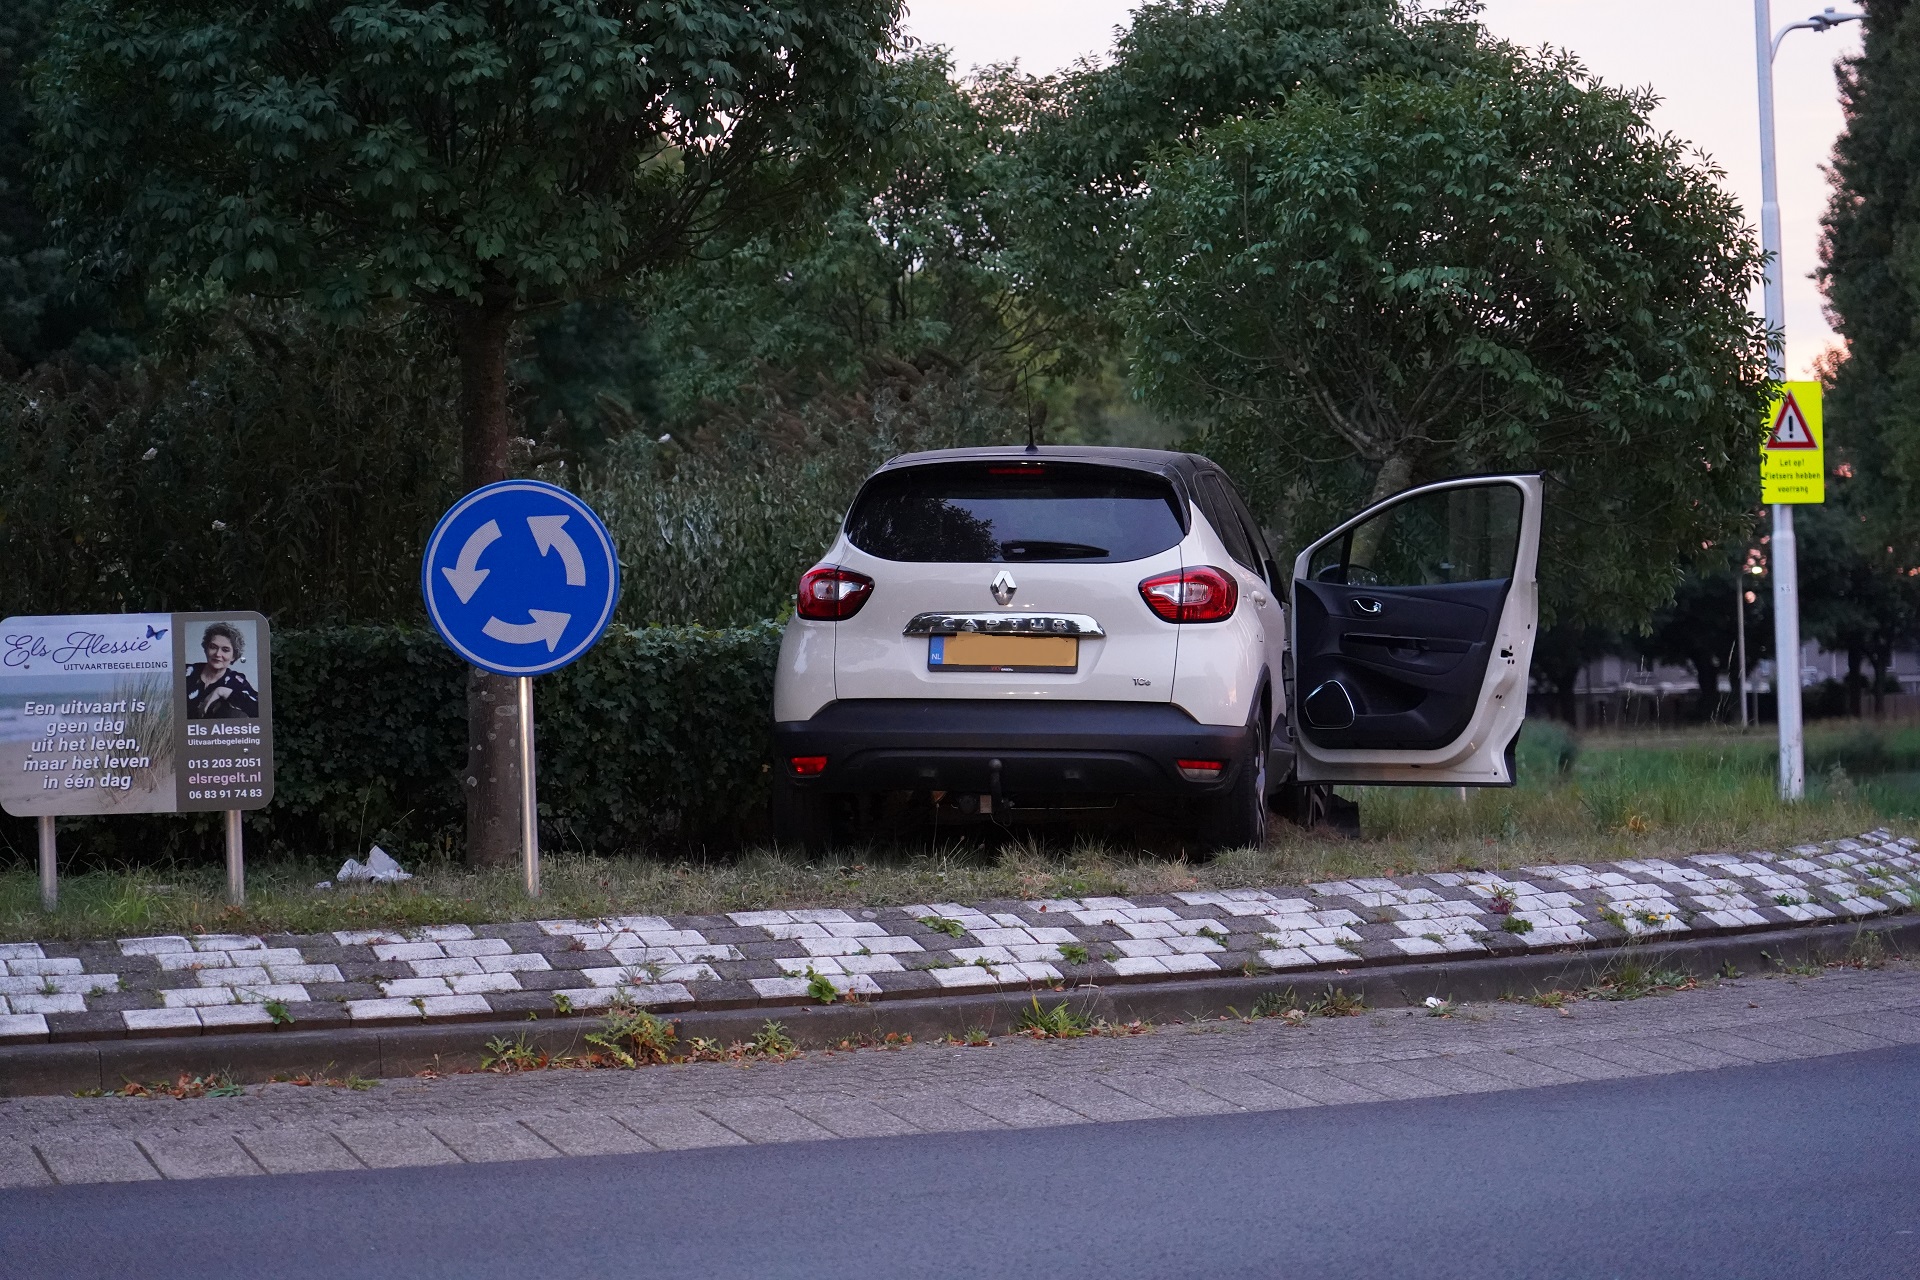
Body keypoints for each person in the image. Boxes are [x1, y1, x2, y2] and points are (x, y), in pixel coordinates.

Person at [185, 622, 259, 719]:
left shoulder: (236, 681)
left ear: (234, 656)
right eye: (213, 647)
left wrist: (222, 692)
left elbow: (259, 709)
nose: (218, 654)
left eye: (225, 650)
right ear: (206, 649)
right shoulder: (186, 671)